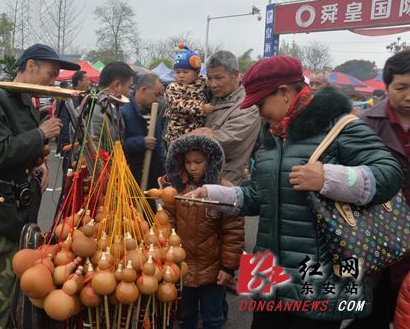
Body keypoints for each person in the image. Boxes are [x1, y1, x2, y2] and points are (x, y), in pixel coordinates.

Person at [186, 56, 403, 329]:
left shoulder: (339, 126)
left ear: (285, 93)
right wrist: (214, 194)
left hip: (317, 278)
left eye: (260, 103)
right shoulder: (272, 134)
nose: (258, 112)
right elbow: (257, 195)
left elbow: (389, 175)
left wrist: (329, 177)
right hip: (269, 276)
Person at [0, 43, 79, 329]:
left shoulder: (25, 102)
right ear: (30, 66)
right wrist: (41, 133)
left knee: (14, 296)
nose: (52, 82)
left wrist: (36, 165)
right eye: (50, 74)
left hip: (17, 212)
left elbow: (19, 150)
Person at [162, 134, 244, 329]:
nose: (192, 167)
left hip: (214, 270)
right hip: (184, 267)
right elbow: (167, 223)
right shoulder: (176, 190)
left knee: (212, 317)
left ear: (211, 161)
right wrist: (168, 257)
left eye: (198, 162)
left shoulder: (223, 191)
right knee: (186, 315)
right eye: (188, 162)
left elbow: (234, 233)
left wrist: (228, 267)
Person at [354, 49, 410, 329]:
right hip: (377, 238)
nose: (409, 96)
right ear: (386, 86)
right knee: (371, 311)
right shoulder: (365, 124)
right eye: (402, 87)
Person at [192, 50, 261, 185]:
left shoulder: (248, 105)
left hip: (225, 182)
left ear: (235, 75)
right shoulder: (212, 97)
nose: (212, 84)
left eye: (218, 78)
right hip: (201, 178)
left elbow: (228, 139)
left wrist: (190, 139)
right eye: (209, 78)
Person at [120, 72, 165, 193]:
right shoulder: (123, 111)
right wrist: (141, 142)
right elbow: (117, 145)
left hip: (150, 184)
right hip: (128, 180)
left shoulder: (154, 114)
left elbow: (159, 146)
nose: (158, 100)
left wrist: (162, 174)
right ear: (144, 89)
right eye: (157, 95)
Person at [164, 44, 211, 146]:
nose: (181, 75)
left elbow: (212, 84)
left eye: (185, 72)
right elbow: (177, 104)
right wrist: (201, 108)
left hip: (198, 133)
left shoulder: (202, 82)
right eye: (177, 72)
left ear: (197, 72)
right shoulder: (172, 87)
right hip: (178, 134)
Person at [90, 62, 134, 145]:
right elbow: (94, 154)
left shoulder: (111, 108)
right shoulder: (95, 113)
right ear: (117, 86)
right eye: (129, 87)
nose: (130, 92)